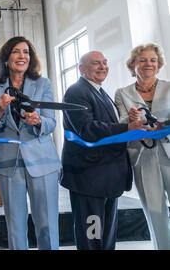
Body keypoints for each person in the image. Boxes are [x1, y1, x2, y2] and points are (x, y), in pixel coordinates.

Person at [60, 51, 143, 250]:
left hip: (107, 176)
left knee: (106, 239)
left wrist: (128, 122)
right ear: (81, 69)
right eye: (96, 63)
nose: (103, 67)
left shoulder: (100, 91)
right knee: (93, 238)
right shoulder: (76, 92)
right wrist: (126, 128)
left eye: (105, 63)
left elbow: (107, 126)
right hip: (89, 178)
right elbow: (87, 129)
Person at [0, 36, 61, 250]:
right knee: (15, 227)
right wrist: (0, 109)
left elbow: (52, 122)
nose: (22, 56)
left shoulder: (43, 83)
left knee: (47, 225)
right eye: (16, 51)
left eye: (26, 52)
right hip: (8, 163)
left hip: (43, 162)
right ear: (6, 58)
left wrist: (39, 120)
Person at [115, 43, 170, 250]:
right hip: (142, 156)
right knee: (155, 212)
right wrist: (130, 120)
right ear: (133, 64)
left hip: (169, 151)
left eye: (153, 60)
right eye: (143, 60)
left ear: (159, 64)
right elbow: (121, 123)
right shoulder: (122, 93)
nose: (149, 64)